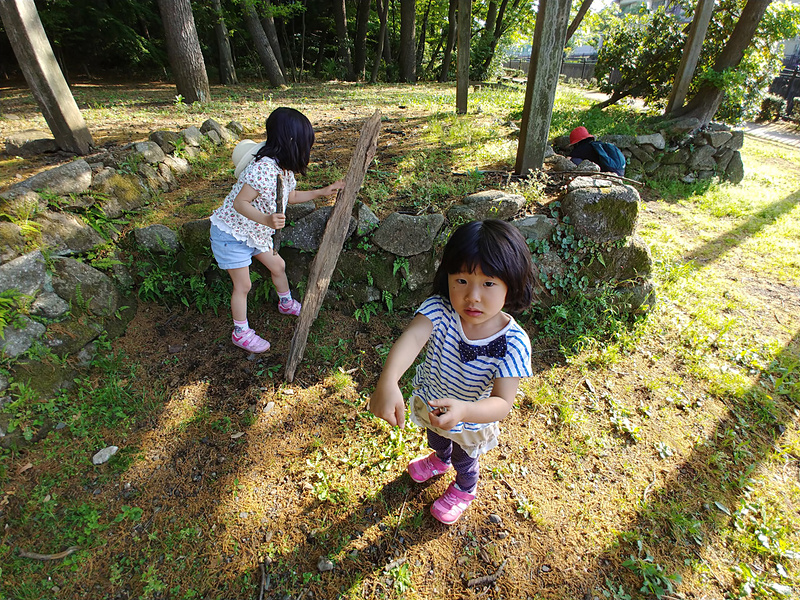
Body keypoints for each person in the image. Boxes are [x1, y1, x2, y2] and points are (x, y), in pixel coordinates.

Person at [369, 219, 535, 524]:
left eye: (488, 283)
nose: (473, 296)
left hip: (471, 421)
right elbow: (413, 338)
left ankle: (464, 487)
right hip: (435, 402)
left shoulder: (513, 342)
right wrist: (388, 379)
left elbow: (502, 403)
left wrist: (466, 410)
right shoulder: (440, 310)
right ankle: (440, 459)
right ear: (446, 277)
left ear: (511, 282)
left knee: (465, 457)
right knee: (436, 437)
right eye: (461, 280)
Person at [209, 107, 344, 353]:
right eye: (305, 144)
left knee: (278, 266)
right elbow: (240, 203)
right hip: (231, 233)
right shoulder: (262, 168)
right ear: (291, 142)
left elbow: (289, 196)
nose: (307, 150)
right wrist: (267, 219)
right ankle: (241, 332)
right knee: (244, 286)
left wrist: (321, 192)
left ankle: (285, 302)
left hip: (254, 233)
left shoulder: (284, 169)